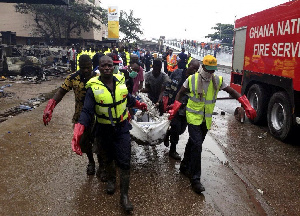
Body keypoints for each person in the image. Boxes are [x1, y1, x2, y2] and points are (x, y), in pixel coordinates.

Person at [168, 55, 257, 194]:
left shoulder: (216, 80)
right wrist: (174, 109)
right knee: (197, 145)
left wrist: (246, 105)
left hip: (206, 119)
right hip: (192, 117)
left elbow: (232, 91)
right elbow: (180, 93)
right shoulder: (192, 79)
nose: (210, 73)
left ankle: (184, 166)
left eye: (213, 70)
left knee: (193, 143)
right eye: (208, 70)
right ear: (203, 67)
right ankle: (195, 179)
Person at [71, 55, 147, 212]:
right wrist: (80, 128)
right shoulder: (93, 87)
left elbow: (128, 98)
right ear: (99, 68)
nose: (106, 67)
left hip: (122, 128)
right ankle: (111, 180)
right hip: (103, 128)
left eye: (109, 65)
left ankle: (124, 196)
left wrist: (139, 104)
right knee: (107, 157)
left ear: (113, 66)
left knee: (125, 161)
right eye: (103, 65)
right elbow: (86, 110)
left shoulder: (120, 81)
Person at [43, 55, 105, 178]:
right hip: (80, 116)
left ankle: (102, 166)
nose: (86, 70)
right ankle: (91, 162)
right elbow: (61, 92)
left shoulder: (98, 78)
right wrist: (50, 107)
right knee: (84, 141)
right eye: (83, 68)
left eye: (88, 67)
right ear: (79, 66)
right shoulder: (73, 78)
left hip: (97, 115)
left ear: (92, 66)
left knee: (100, 141)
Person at [162, 59, 200, 160]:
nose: (194, 70)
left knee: (181, 130)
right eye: (193, 67)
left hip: (185, 107)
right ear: (189, 65)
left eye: (197, 69)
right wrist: (165, 98)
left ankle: (167, 134)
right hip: (173, 105)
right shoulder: (177, 72)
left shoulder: (195, 80)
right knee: (176, 127)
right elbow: (168, 85)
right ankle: (172, 150)